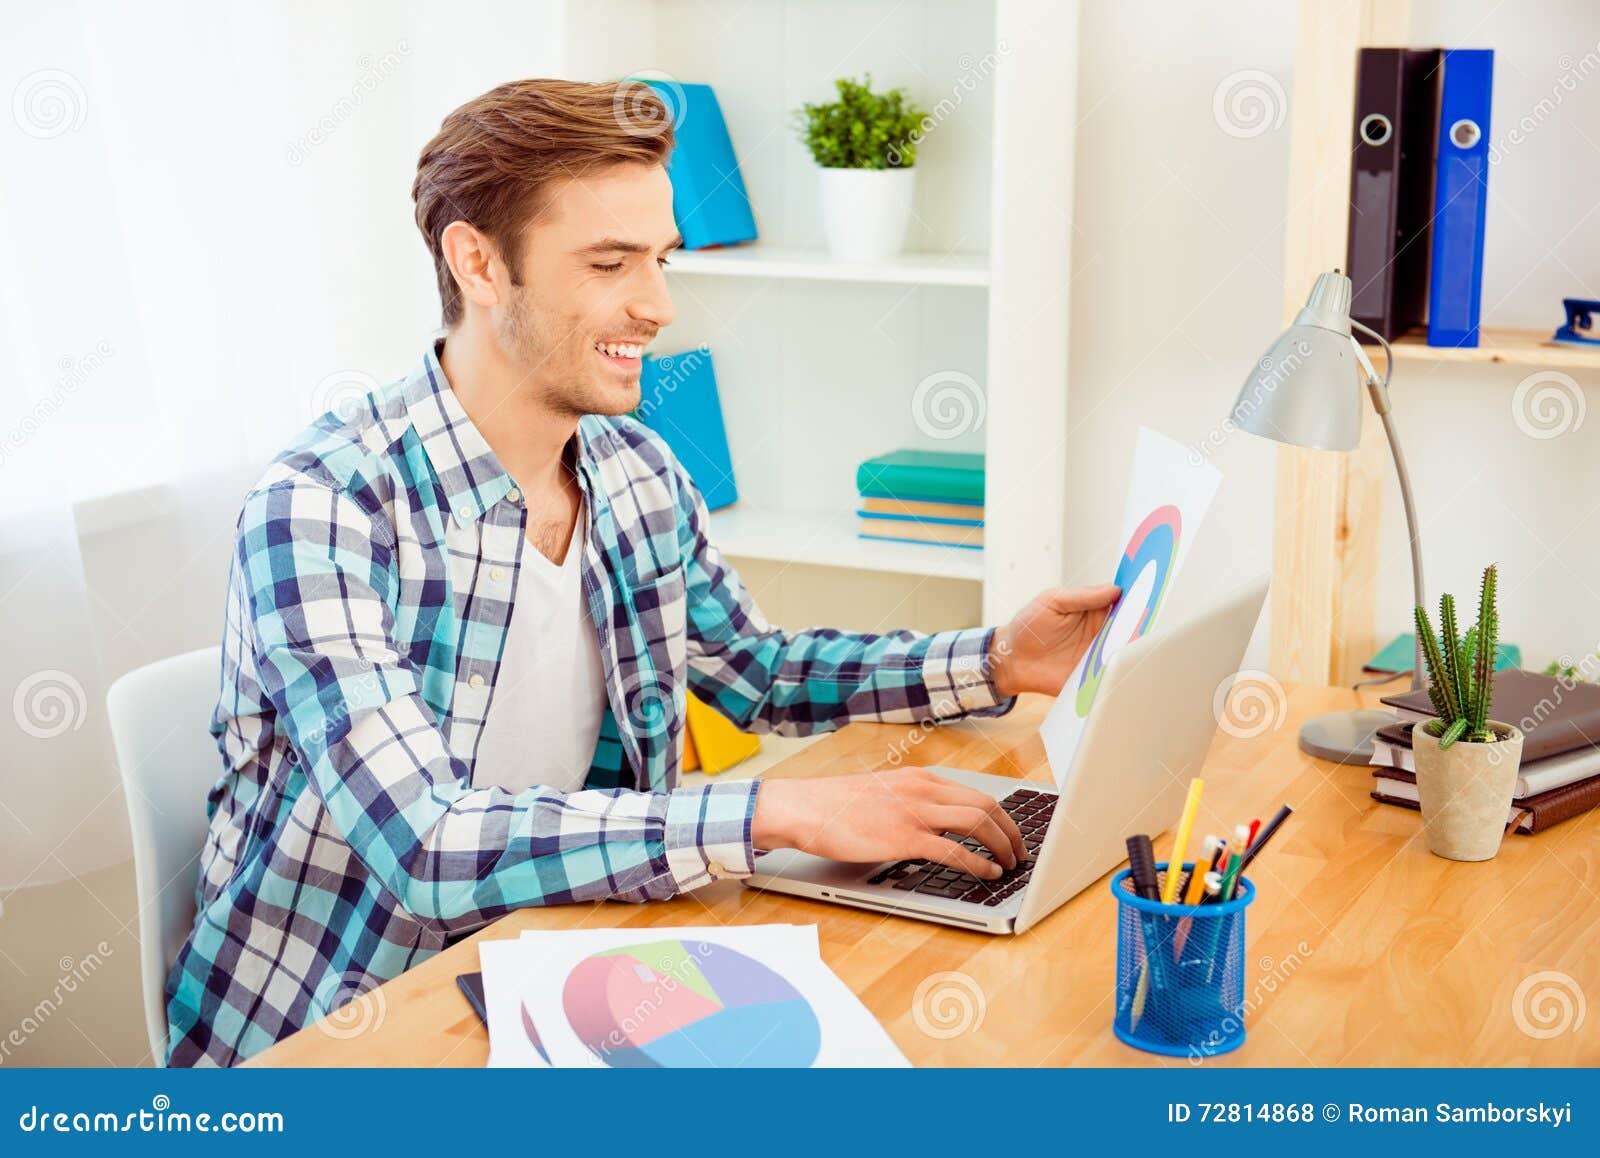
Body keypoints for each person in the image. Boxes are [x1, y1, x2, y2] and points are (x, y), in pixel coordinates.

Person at [164, 79, 1119, 1066]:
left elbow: (753, 670)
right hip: (338, 1025)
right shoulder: (326, 504)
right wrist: (777, 809)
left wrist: (1000, 659)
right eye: (610, 263)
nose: (659, 305)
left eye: (660, 259)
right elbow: (423, 842)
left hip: (567, 956)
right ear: (478, 263)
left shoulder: (635, 470)